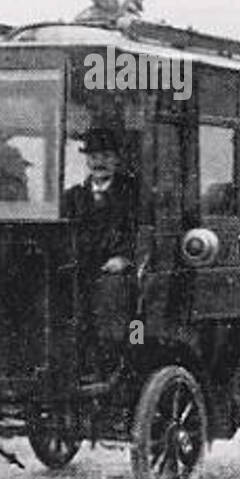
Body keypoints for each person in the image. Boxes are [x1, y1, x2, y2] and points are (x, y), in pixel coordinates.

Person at [63, 127, 138, 379]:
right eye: (93, 157)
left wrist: (125, 258)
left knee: (109, 294)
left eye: (106, 156)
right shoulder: (73, 196)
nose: (99, 163)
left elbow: (140, 233)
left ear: (117, 159)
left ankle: (108, 366)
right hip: (80, 268)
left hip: (117, 270)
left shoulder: (133, 194)